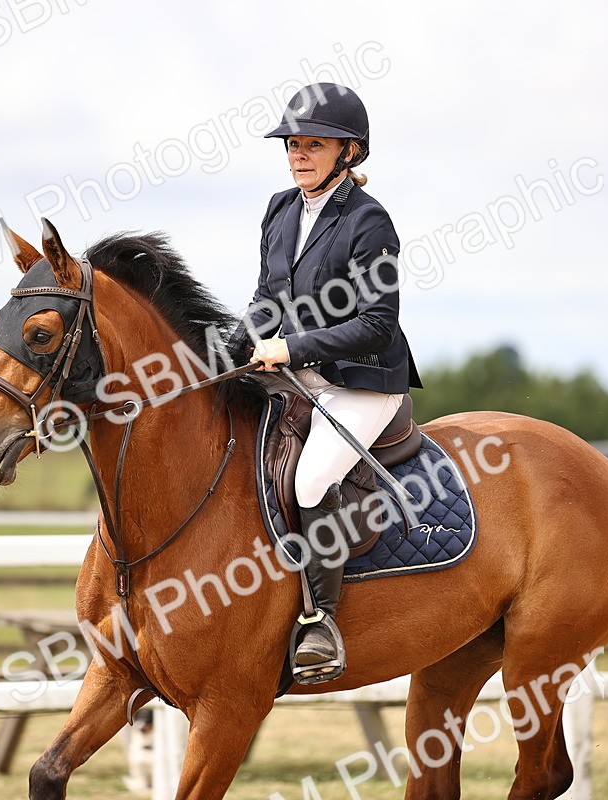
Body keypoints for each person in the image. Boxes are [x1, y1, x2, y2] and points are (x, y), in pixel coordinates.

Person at [229, 82, 422, 683]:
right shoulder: (281, 209)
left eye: (314, 144)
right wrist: (234, 343)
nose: (298, 154)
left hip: (365, 381)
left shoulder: (368, 220)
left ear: (349, 152)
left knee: (311, 478)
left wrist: (291, 346)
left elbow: (376, 322)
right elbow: (268, 297)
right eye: (293, 144)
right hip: (298, 372)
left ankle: (319, 619)